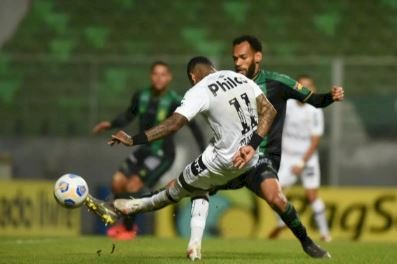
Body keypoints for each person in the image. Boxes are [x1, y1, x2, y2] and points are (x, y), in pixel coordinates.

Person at [105, 56, 330, 260]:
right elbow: (269, 111)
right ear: (213, 68)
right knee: (264, 197)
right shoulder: (238, 78)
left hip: (223, 162)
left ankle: (134, 206)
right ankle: (306, 242)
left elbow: (173, 124)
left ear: (193, 77)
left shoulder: (199, 90)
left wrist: (134, 139)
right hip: (250, 158)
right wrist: (252, 146)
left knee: (176, 191)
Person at [186, 36, 344, 260]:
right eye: (235, 58)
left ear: (257, 57)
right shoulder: (228, 83)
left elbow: (315, 100)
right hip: (231, 158)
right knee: (197, 186)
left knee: (276, 199)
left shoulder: (276, 83)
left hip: (261, 158)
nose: (238, 63)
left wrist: (330, 96)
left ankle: (307, 242)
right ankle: (194, 246)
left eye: (243, 57)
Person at [92, 61, 206, 240]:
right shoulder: (141, 95)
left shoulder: (175, 100)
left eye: (163, 74)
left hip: (162, 154)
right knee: (117, 182)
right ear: (151, 76)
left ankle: (128, 229)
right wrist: (111, 124)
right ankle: (121, 216)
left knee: (133, 186)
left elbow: (194, 127)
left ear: (169, 78)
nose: (159, 78)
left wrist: (203, 151)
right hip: (143, 150)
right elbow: (129, 115)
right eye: (156, 74)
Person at [268, 75, 331, 242]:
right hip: (287, 158)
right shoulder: (287, 105)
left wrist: (302, 162)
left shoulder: (315, 110)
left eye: (309, 86)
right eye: (302, 86)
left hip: (307, 159)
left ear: (314, 89)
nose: (306, 90)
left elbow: (315, 140)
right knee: (273, 192)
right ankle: (281, 223)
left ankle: (325, 233)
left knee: (312, 197)